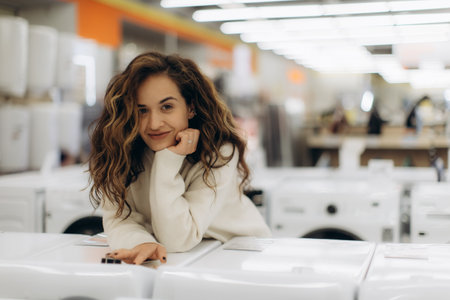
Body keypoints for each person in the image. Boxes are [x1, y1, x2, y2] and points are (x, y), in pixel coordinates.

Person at [88, 52, 271, 265]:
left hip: (241, 256)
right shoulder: (122, 152)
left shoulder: (218, 153)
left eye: (167, 107)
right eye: (142, 110)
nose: (154, 123)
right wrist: (140, 242)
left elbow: (178, 238)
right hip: (180, 260)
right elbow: (119, 219)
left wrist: (168, 161)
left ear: (190, 107)